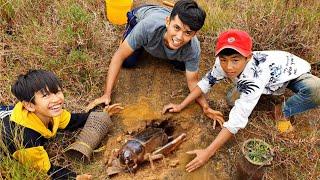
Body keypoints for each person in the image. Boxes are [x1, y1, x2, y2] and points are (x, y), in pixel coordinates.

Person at [162, 29, 320, 172]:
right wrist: (181, 105)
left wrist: (207, 152)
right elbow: (205, 83)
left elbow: (237, 120)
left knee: (316, 89)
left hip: (290, 74)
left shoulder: (256, 76)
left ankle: (282, 111)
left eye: (235, 60)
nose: (229, 67)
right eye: (224, 59)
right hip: (262, 83)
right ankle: (260, 94)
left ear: (248, 57)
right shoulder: (222, 62)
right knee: (232, 100)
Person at [86, 0, 216, 118]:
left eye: (188, 33)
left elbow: (193, 82)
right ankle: (134, 39)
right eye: (177, 28)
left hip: (163, 21)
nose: (180, 37)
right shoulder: (148, 27)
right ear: (167, 22)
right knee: (128, 61)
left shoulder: (193, 48)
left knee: (182, 65)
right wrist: (106, 94)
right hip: (142, 16)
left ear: (194, 34)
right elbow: (118, 56)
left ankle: (148, 41)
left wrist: (206, 106)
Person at [0, 70, 93, 179]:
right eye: (45, 95)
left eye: (57, 91)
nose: (56, 99)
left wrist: (96, 114)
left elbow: (73, 120)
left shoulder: (51, 113)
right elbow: (44, 170)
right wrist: (74, 177)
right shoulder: (26, 139)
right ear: (29, 105)